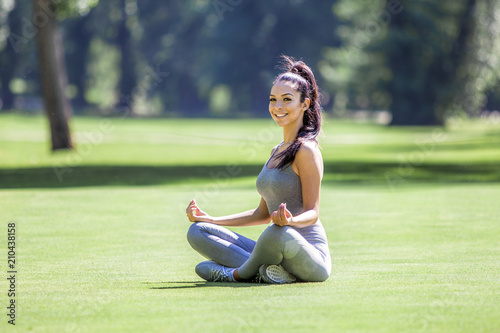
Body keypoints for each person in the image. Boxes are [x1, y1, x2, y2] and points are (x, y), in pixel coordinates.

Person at [185, 56, 331, 283]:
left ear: (305, 104)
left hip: (309, 256)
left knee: (276, 233)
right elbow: (262, 214)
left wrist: (289, 222)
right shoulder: (276, 151)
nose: (278, 106)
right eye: (273, 99)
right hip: (275, 247)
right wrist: (212, 219)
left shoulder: (307, 150)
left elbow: (313, 213)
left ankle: (237, 275)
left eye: (286, 99)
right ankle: (269, 273)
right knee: (198, 231)